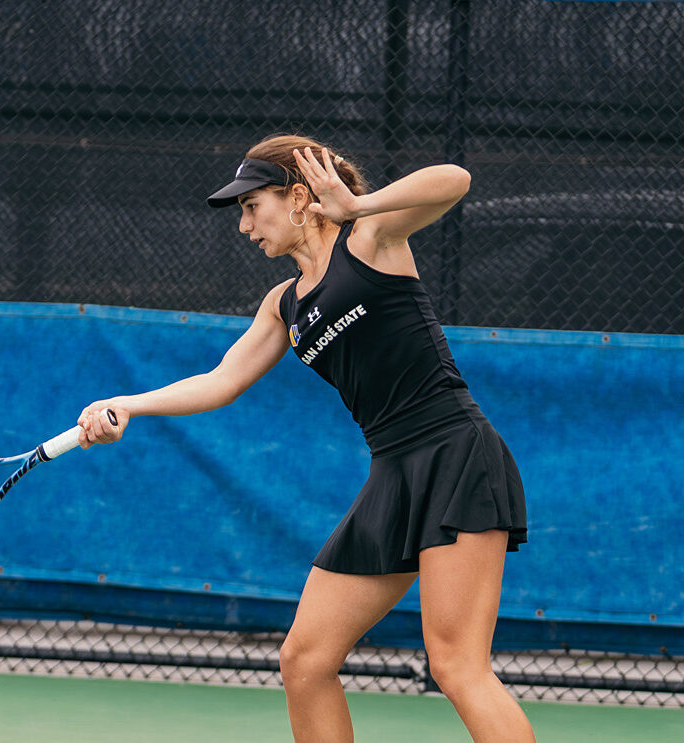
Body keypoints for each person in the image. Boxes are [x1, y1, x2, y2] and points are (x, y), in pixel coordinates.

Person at [75, 134, 533, 742]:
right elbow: (219, 382)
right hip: (391, 474)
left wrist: (356, 207)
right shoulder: (284, 306)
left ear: (297, 198)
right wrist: (125, 404)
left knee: (456, 666)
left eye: (250, 206)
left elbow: (454, 179)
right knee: (305, 660)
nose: (244, 226)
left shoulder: (371, 241)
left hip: (456, 455)